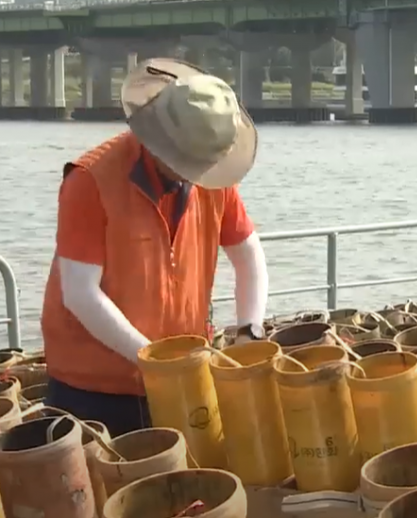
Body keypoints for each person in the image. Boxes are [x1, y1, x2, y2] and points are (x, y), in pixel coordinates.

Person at [41, 58, 269, 437]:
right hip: (92, 388)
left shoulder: (211, 177)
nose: (198, 174)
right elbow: (80, 293)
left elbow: (249, 254)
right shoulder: (90, 181)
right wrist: (154, 360)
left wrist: (250, 328)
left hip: (179, 376)